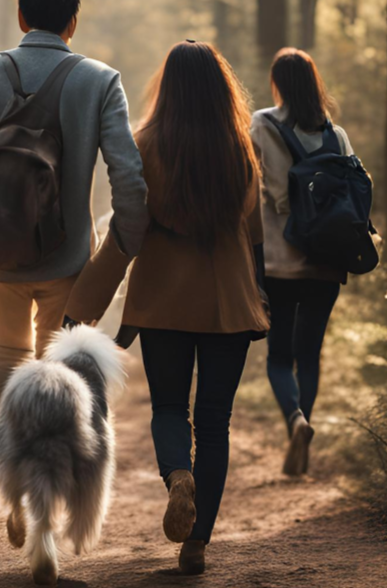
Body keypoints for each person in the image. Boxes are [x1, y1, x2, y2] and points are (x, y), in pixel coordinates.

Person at [0, 0, 149, 419]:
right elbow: (127, 173)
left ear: (21, 16)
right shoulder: (100, 81)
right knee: (60, 370)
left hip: (2, 253)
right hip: (69, 260)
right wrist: (125, 247)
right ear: (73, 21)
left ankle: (6, 472)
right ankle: (52, 471)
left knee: (9, 360)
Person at [113, 41, 268, 574]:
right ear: (221, 88)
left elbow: (129, 225)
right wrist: (261, 293)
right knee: (216, 422)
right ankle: (196, 543)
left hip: (162, 301)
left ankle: (178, 474)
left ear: (170, 88)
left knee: (168, 409)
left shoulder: (145, 145)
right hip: (227, 301)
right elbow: (251, 223)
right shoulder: (241, 148)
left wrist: (89, 295)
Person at [251, 48, 354, 477]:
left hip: (279, 262)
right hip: (327, 262)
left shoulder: (262, 124)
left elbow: (250, 188)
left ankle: (295, 420)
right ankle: (304, 425)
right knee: (309, 355)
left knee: (279, 357)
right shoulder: (338, 135)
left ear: (278, 83)